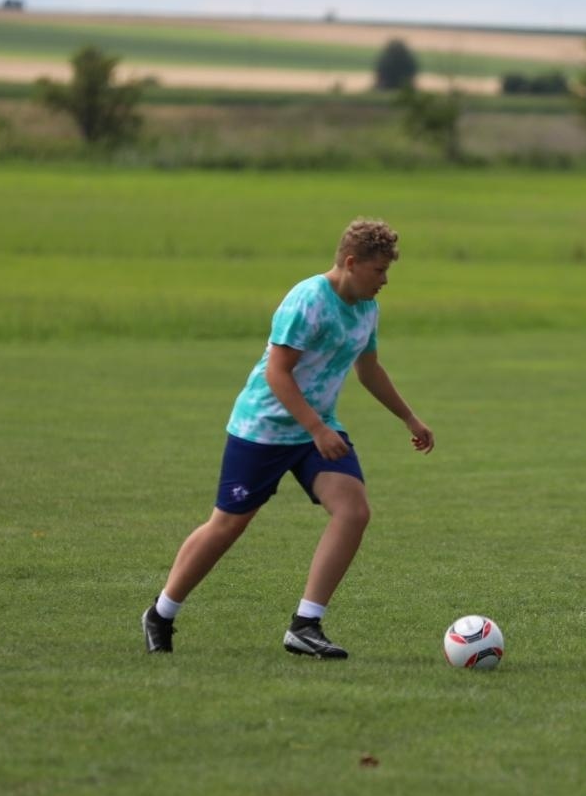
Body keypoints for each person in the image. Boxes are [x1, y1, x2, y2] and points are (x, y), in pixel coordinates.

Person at [142, 218, 433, 657]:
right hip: (264, 428)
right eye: (378, 271)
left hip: (317, 430)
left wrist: (409, 418)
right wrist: (316, 428)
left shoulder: (366, 308)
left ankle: (306, 624)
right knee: (227, 526)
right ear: (351, 263)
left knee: (353, 511)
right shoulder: (308, 301)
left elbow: (368, 369)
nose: (385, 281)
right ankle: (161, 613)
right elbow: (277, 373)